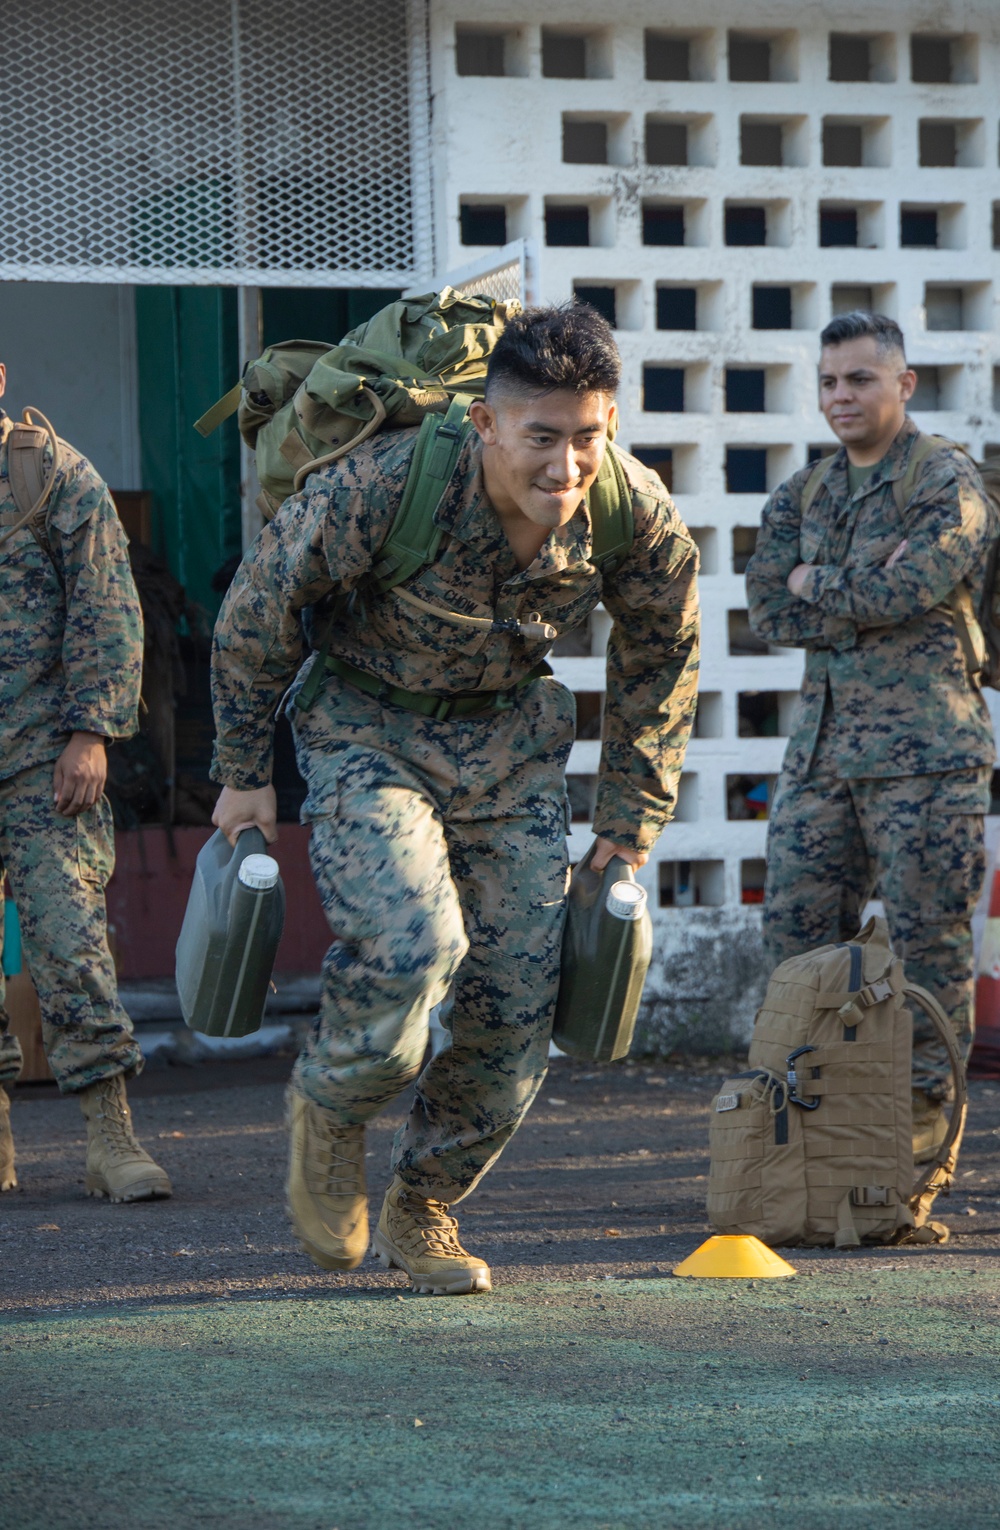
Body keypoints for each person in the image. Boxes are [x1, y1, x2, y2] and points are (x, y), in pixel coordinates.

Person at [210, 303, 699, 1294]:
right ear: (486, 423)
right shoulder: (390, 485)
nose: (565, 466)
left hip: (509, 749)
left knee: (518, 1005)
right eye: (541, 438)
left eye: (588, 437)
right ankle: (334, 1104)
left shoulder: (629, 510)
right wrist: (242, 771)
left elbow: (665, 644)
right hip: (364, 731)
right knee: (411, 942)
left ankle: (423, 1201)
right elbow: (261, 608)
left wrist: (628, 816)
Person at [747, 310, 997, 1159]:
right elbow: (768, 606)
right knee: (797, 948)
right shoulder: (806, 492)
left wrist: (821, 582)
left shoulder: (946, 483)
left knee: (929, 953)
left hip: (929, 760)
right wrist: (849, 584)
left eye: (859, 378)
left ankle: (926, 1140)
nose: (840, 396)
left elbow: (916, 586)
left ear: (903, 384)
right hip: (820, 761)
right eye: (828, 381)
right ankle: (806, 1135)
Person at [0, 373, 171, 1203]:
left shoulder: (52, 473)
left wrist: (90, 732)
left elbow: (108, 603)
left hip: (44, 756)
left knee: (69, 945)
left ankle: (111, 1137)